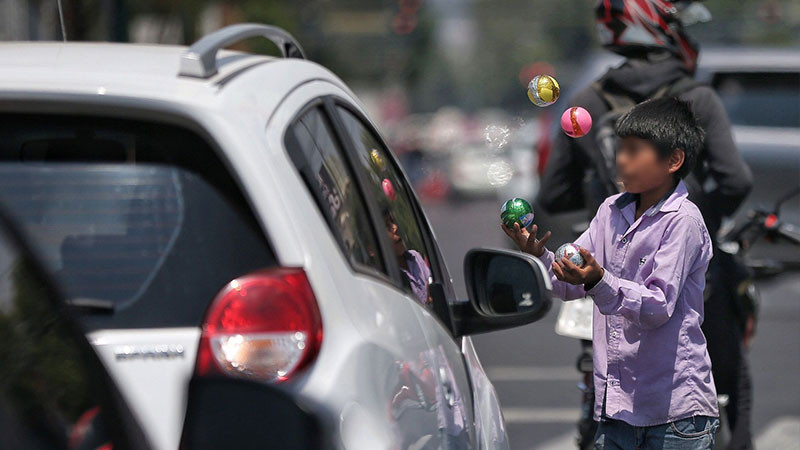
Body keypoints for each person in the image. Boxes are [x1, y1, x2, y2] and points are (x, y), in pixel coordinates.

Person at [537, 1, 754, 447]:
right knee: (731, 380)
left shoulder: (586, 102)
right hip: (661, 288)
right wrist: (697, 220)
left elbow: (553, 195)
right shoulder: (697, 99)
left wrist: (610, 206)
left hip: (601, 270)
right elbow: (735, 179)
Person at [506, 97, 718, 449]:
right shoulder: (610, 211)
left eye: (634, 150)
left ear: (673, 160)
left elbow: (657, 305)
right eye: (621, 149)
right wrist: (540, 256)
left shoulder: (683, 222)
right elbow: (570, 281)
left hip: (676, 417)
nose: (621, 159)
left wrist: (597, 279)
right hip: (617, 412)